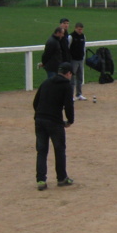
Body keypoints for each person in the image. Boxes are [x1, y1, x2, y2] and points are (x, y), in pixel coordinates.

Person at [33, 62, 75, 190]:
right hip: (54, 121)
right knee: (59, 149)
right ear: (68, 73)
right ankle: (62, 178)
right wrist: (70, 120)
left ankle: (41, 180)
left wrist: (40, 114)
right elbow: (69, 105)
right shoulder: (66, 86)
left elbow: (35, 102)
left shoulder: (46, 82)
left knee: (41, 151)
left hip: (39, 119)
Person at [69, 22, 87, 99]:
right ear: (75, 28)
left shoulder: (83, 36)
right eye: (79, 29)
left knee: (80, 77)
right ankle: (70, 95)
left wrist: (83, 57)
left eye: (81, 29)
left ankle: (79, 94)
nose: (80, 31)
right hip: (73, 60)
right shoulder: (71, 36)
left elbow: (84, 47)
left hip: (80, 59)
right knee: (72, 78)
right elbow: (68, 48)